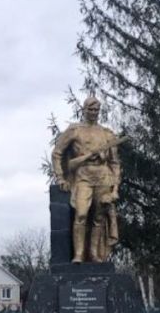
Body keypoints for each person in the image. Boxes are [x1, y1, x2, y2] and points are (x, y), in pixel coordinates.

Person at [51, 96, 125, 263]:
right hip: (83, 177)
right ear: (83, 110)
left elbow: (114, 163)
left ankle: (94, 254)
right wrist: (60, 177)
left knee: (99, 218)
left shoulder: (107, 133)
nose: (93, 112)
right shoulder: (75, 130)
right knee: (81, 214)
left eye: (96, 110)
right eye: (90, 109)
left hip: (103, 178)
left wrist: (115, 188)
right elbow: (57, 153)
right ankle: (78, 254)